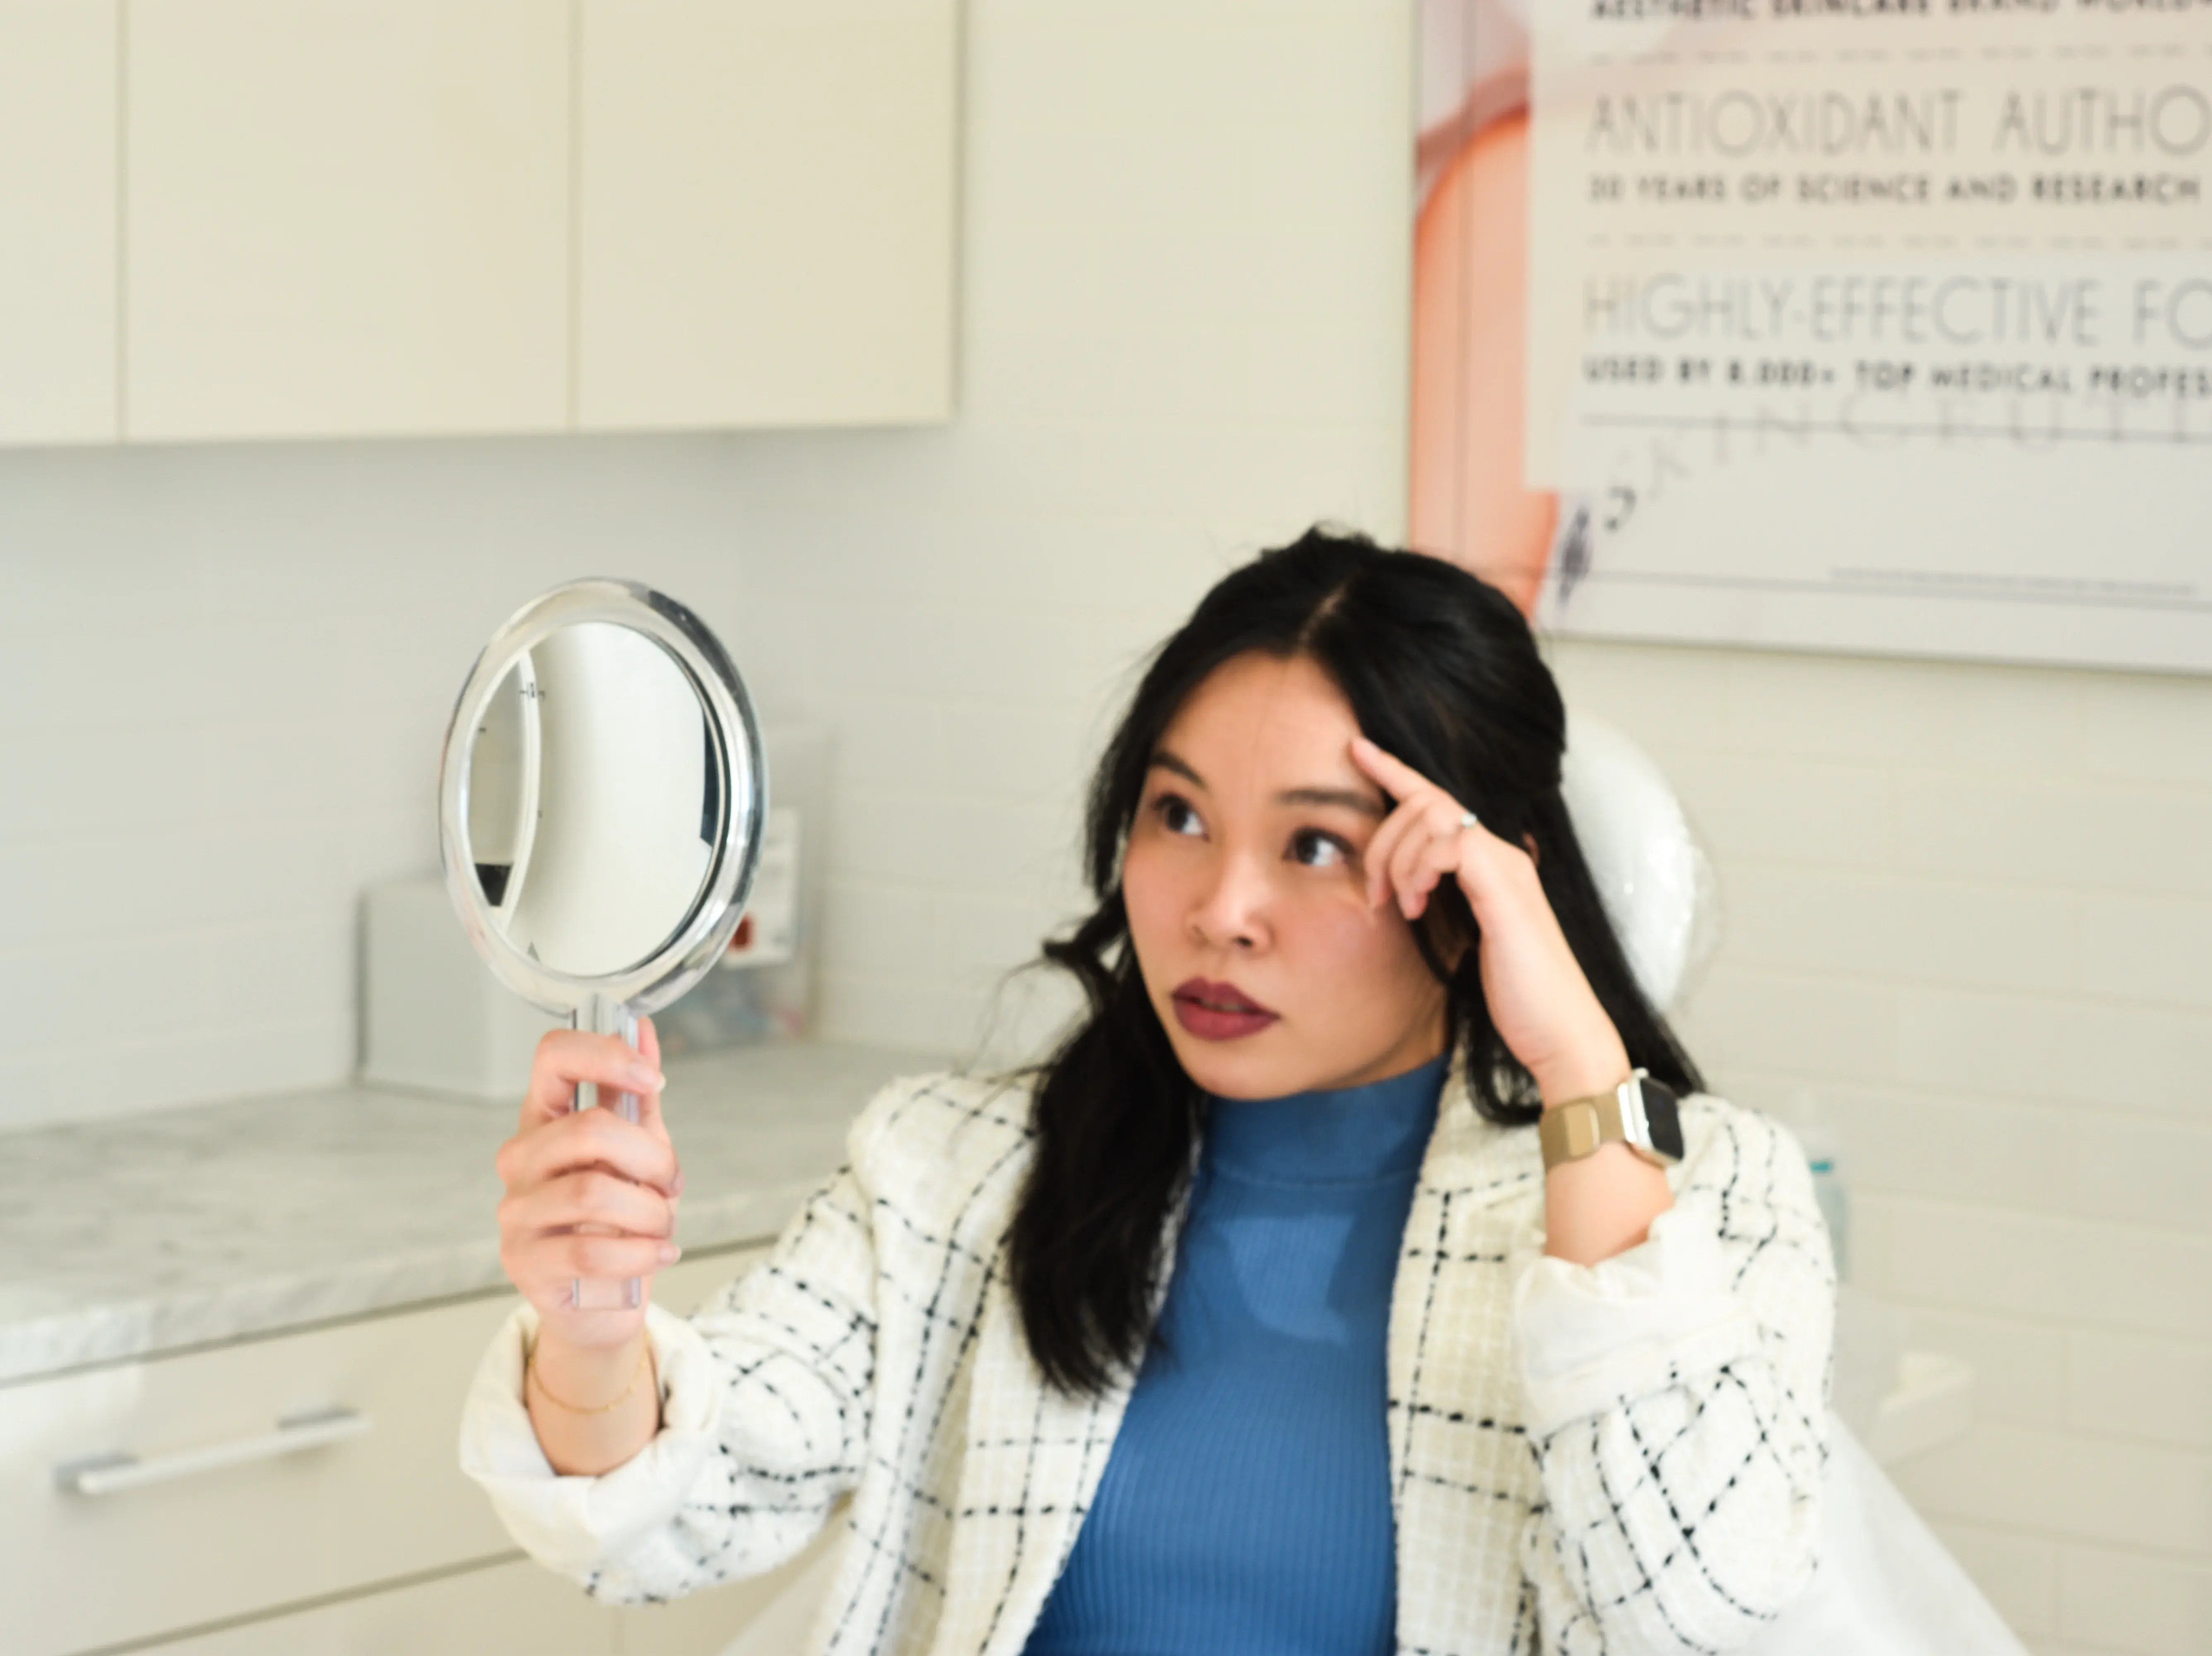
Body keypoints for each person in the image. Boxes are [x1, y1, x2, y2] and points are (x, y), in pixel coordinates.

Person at [461, 527, 1837, 1655]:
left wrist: (1581, 1072)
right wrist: (593, 1337)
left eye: (1314, 846)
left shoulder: (1707, 1202)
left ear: (1479, 887)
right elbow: (674, 1520)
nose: (1220, 909)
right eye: (1178, 816)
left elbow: (1699, 1619)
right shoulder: (952, 1171)